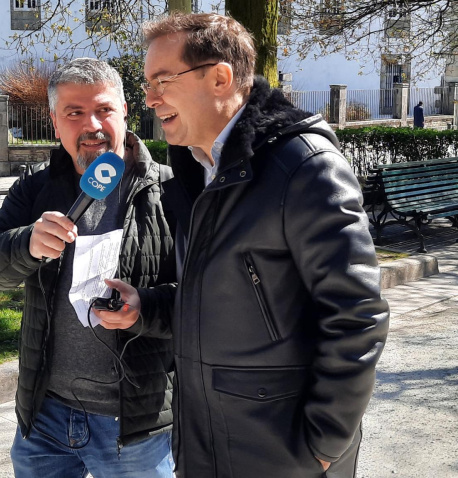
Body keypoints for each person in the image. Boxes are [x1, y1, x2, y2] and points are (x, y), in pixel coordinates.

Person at [105, 13, 390, 478]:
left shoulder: (303, 166)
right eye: (147, 84)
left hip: (283, 455)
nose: (150, 99)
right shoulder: (198, 168)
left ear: (219, 77)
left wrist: (323, 444)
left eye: (162, 80)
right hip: (205, 445)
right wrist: (147, 307)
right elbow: (226, 297)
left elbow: (357, 316)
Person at [0, 58, 178, 477]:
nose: (92, 125)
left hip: (135, 426)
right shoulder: (36, 189)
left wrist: (144, 308)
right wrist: (24, 244)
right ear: (54, 121)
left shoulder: (173, 192)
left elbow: (209, 300)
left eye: (103, 110)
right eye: (75, 113)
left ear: (125, 112)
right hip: (44, 419)